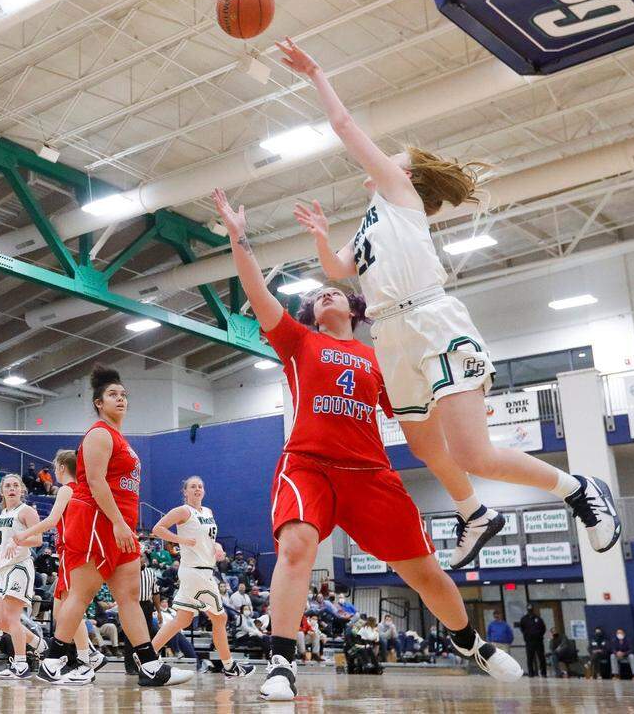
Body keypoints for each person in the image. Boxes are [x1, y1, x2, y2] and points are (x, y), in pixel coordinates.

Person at [278, 36, 622, 569]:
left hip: (430, 319)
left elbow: (345, 128)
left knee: (472, 453)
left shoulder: (400, 194)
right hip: (390, 336)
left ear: (407, 173)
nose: (385, 156)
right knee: (422, 446)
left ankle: (579, 489)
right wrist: (323, 236)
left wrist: (317, 73)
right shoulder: (373, 219)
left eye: (395, 157)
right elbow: (338, 269)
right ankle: (476, 514)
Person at [213, 188, 520, 701]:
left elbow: (417, 412)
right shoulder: (298, 342)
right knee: (296, 546)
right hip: (309, 464)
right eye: (314, 298)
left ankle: (471, 644)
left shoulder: (380, 359)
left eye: (330, 292)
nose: (322, 295)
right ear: (310, 314)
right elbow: (256, 291)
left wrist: (467, 406)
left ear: (352, 307)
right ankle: (282, 662)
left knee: (423, 572)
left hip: (370, 474)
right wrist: (239, 238)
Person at [37, 365, 192, 687]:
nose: (120, 399)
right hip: (98, 520)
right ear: (99, 402)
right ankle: (52, 661)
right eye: (112, 395)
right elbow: (94, 481)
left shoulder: (120, 438)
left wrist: (124, 525)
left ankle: (149, 665)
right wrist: (119, 523)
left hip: (120, 524)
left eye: (123, 395)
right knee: (82, 593)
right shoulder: (98, 433)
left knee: (130, 596)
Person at [13, 449, 106, 675]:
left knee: (68, 612)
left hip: (71, 554)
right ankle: (89, 654)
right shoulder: (81, 490)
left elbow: (52, 520)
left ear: (62, 468)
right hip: (71, 554)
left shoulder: (67, 489)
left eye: (55, 467)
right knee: (60, 614)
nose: (55, 471)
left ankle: (87, 656)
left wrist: (24, 535)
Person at [149, 476, 253, 677]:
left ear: (204, 491)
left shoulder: (208, 512)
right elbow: (157, 529)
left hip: (202, 570)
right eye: (192, 487)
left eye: (200, 486)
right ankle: (230, 666)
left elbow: (208, 538)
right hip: (196, 572)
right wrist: (181, 541)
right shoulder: (182, 511)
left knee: (182, 619)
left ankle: (147, 654)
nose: (197, 489)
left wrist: (218, 546)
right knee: (220, 618)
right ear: (185, 492)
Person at [0, 473, 47, 679]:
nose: (12, 488)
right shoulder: (3, 513)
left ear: (22, 489)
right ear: (2, 491)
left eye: (16, 485)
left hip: (19, 567)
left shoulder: (26, 511)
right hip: (3, 570)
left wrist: (19, 542)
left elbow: (38, 540)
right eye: (8, 486)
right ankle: (38, 644)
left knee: (13, 619)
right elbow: (1, 544)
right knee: (2, 623)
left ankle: (21, 664)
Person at [519, 605, 547, 678]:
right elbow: (522, 628)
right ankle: (531, 673)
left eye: (531, 610)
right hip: (529, 641)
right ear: (527, 610)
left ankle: (543, 673)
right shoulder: (524, 619)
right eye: (529, 610)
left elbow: (543, 628)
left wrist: (539, 635)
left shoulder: (538, 618)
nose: (530, 611)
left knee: (541, 657)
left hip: (538, 641)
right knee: (530, 658)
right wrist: (526, 635)